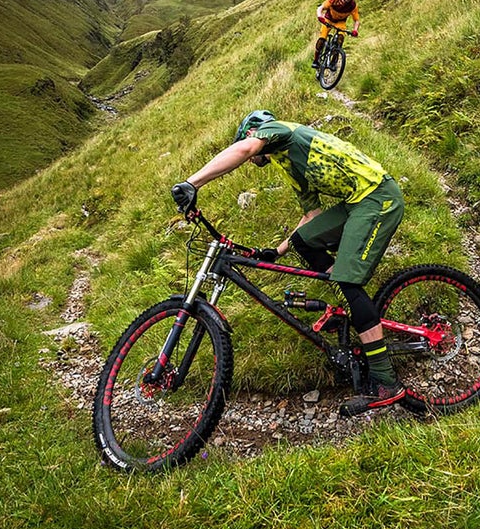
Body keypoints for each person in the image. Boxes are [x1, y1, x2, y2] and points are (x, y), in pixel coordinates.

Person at [171, 110, 405, 417]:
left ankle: (386, 382)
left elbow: (245, 149)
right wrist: (276, 251)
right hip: (355, 202)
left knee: (348, 281)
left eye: (248, 140)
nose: (251, 156)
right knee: (304, 241)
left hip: (377, 197)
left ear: (254, 132)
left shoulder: (279, 131)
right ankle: (348, 303)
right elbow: (312, 215)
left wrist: (192, 183)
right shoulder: (289, 162)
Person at [313, 0, 359, 68]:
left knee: (340, 39)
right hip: (328, 20)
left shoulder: (353, 5)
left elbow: (356, 20)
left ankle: (333, 61)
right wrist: (320, 16)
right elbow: (320, 8)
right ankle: (315, 60)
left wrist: (355, 30)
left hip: (340, 22)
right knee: (322, 39)